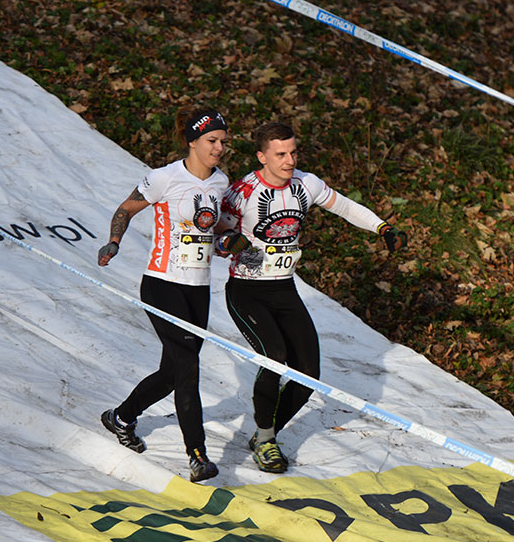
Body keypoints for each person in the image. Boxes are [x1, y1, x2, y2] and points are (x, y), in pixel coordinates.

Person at [216, 121, 406, 474]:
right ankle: (266, 440)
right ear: (262, 157)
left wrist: (382, 227)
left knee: (308, 375)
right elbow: (215, 234)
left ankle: (264, 436)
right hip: (247, 291)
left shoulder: (306, 184)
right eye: (280, 154)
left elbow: (346, 207)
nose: (290, 161)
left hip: (284, 288)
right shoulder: (242, 192)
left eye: (293, 152)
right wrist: (227, 241)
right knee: (275, 357)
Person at [97, 107, 247, 483]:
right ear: (193, 142)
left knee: (172, 372)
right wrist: (114, 242)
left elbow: (214, 226)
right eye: (212, 141)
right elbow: (126, 209)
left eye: (223, 141)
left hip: (198, 289)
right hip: (162, 285)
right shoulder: (164, 177)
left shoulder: (220, 182)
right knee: (189, 369)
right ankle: (197, 455)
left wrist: (230, 239)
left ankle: (121, 417)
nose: (219, 148)